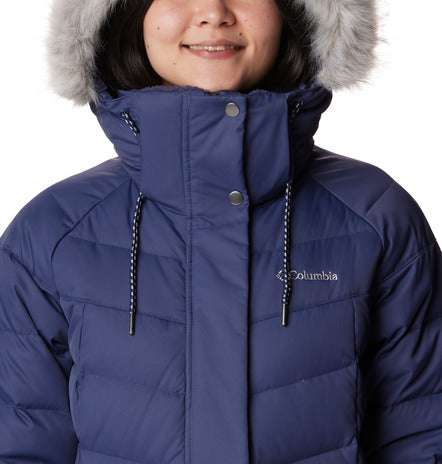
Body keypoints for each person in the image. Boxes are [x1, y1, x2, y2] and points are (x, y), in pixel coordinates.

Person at [0, 0, 441, 462]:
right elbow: (20, 445)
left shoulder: (374, 217)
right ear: (127, 14)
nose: (213, 12)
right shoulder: (54, 232)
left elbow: (423, 434)